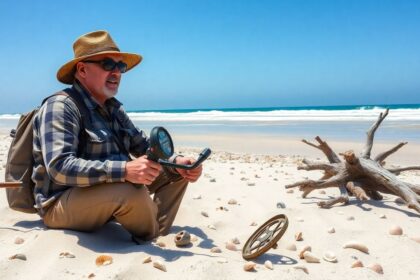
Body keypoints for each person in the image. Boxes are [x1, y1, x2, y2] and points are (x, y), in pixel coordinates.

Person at [32, 30, 202, 242]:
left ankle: (155, 230)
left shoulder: (112, 108)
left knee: (176, 172)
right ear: (82, 70)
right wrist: (124, 170)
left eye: (120, 67)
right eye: (108, 65)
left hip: (106, 191)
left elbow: (143, 145)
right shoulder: (60, 107)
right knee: (129, 192)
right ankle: (154, 238)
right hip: (60, 203)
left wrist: (178, 161)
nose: (117, 73)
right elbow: (59, 167)